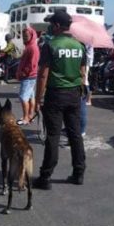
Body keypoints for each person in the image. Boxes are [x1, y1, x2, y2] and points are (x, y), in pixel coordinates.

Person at [33, 10, 87, 189]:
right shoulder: (79, 45)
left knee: (53, 136)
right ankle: (79, 172)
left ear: (56, 25)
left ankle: (45, 177)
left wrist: (38, 98)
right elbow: (82, 72)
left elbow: (43, 75)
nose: (49, 27)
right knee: (75, 134)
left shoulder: (50, 45)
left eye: (51, 24)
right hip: (74, 94)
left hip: (55, 95)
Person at [16, 26, 40, 125]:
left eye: (27, 35)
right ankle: (30, 115)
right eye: (24, 36)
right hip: (30, 76)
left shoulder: (32, 47)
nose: (25, 37)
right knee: (30, 96)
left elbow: (32, 64)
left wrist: (23, 73)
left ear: (32, 35)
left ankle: (26, 118)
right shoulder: (30, 46)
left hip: (28, 76)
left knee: (23, 97)